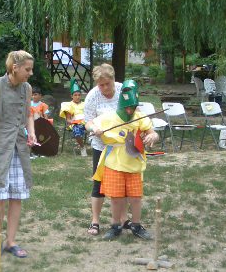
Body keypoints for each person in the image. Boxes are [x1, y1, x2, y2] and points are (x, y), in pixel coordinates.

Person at [0, 50, 37, 258]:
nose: (30, 73)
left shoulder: (27, 88)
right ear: (15, 67)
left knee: (16, 195)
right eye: (27, 69)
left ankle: (11, 241)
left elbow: (28, 114)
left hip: (19, 147)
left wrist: (31, 132)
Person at [89, 79, 159, 240]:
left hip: (134, 163)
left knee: (135, 197)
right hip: (114, 163)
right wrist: (94, 128)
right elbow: (90, 123)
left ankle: (136, 225)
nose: (129, 110)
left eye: (133, 107)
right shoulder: (109, 117)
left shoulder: (140, 117)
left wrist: (153, 136)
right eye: (127, 107)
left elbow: (152, 132)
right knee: (116, 197)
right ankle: (115, 225)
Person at [83, 63, 124, 236]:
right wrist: (94, 128)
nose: (105, 88)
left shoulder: (123, 90)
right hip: (101, 146)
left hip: (121, 145)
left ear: (114, 79)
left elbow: (134, 112)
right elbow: (87, 121)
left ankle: (123, 220)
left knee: (122, 183)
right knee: (98, 183)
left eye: (108, 83)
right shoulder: (92, 96)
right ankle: (95, 221)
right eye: (101, 85)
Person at [59, 78, 87, 156]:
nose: (77, 97)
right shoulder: (68, 105)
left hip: (86, 123)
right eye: (75, 95)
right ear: (71, 96)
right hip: (75, 124)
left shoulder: (85, 104)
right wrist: (73, 121)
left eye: (79, 95)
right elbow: (68, 119)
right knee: (77, 130)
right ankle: (82, 147)